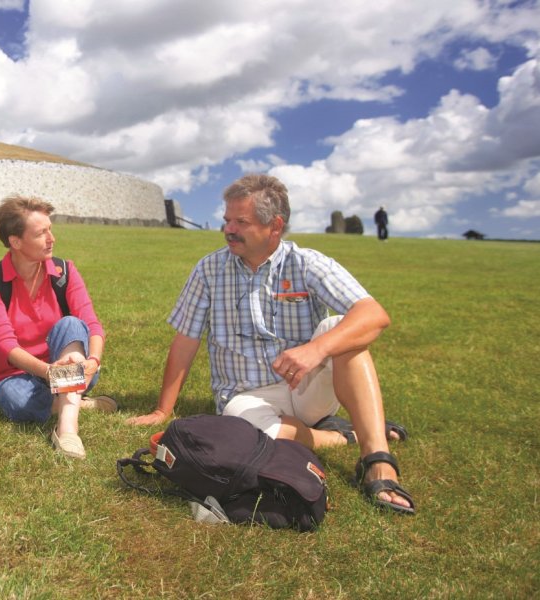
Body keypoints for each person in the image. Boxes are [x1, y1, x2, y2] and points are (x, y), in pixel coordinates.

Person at [127, 174, 415, 515]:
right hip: (246, 398)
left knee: (341, 327)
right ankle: (342, 436)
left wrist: (316, 349)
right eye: (226, 220)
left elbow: (373, 315)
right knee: (241, 424)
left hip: (305, 383)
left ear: (274, 226)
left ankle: (377, 460)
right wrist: (162, 410)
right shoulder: (209, 269)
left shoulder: (306, 262)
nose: (228, 229)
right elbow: (186, 340)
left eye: (241, 222)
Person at [0, 195, 115, 460]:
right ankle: (77, 404)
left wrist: (94, 361)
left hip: (72, 366)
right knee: (14, 402)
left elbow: (92, 324)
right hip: (18, 375)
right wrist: (49, 372)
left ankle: (67, 430)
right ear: (15, 242)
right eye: (42, 233)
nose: (52, 238)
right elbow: (4, 344)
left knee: (72, 324)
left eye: (50, 230)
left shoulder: (65, 271)